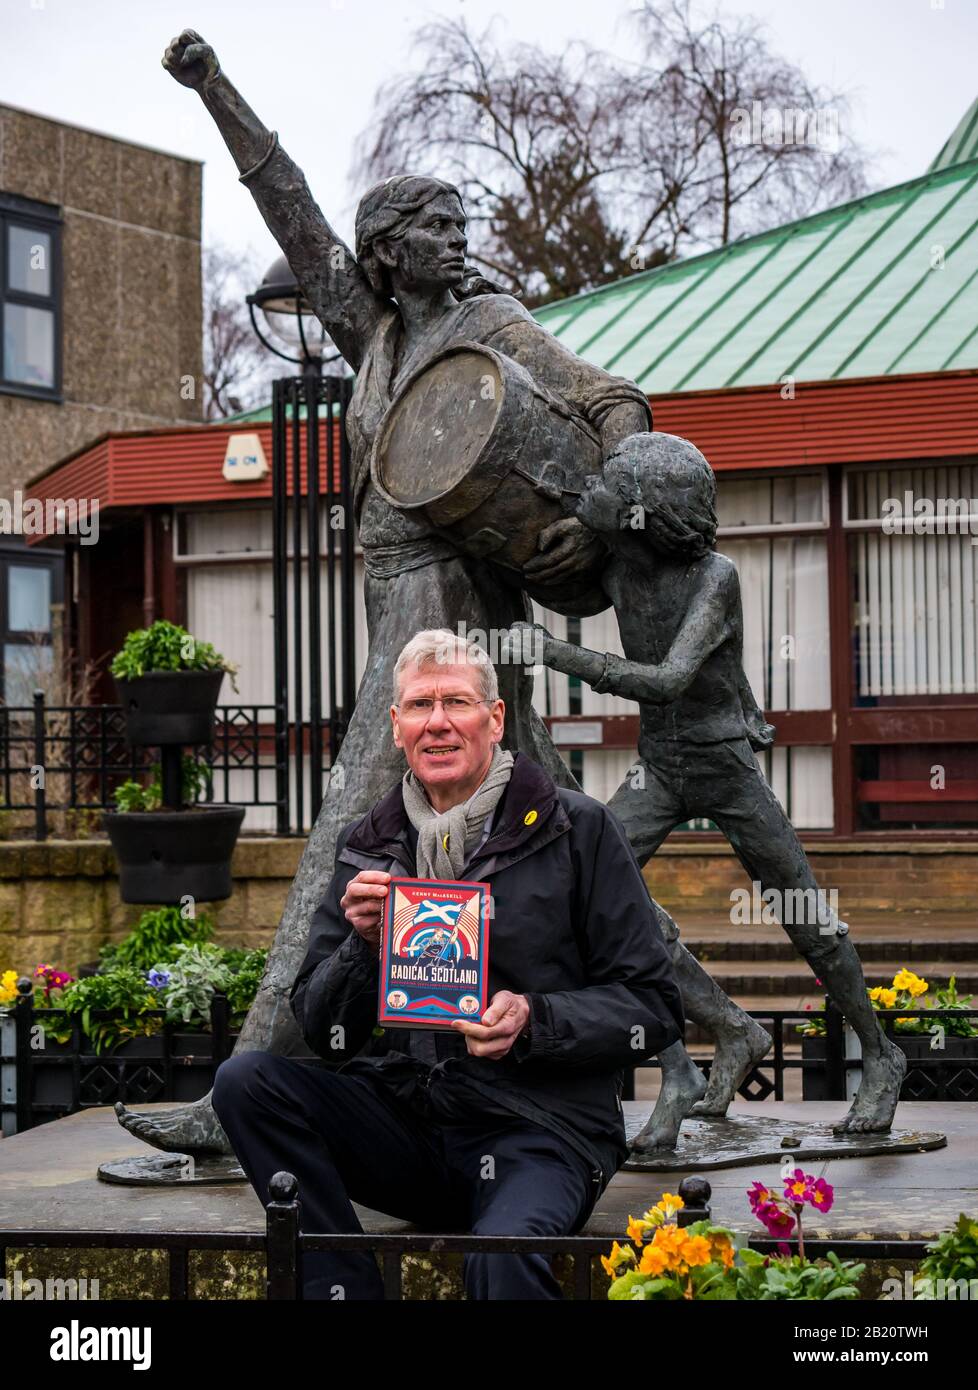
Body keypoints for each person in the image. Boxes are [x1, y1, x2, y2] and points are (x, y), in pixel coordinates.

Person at [117, 29, 657, 1159]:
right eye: (435, 229)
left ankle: (238, 1095)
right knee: (567, 830)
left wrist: (617, 492)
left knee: (334, 852)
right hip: (426, 626)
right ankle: (720, 1033)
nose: (459, 244)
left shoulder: (488, 326)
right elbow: (292, 209)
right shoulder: (374, 334)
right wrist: (214, 86)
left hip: (437, 626)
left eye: (464, 226)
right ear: (385, 257)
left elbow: (609, 397)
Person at [212, 629, 684, 1299]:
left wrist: (534, 1019)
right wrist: (359, 947)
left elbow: (654, 1005)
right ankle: (347, 1293)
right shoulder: (368, 843)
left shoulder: (578, 829)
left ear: (494, 720)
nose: (438, 722)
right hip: (412, 1123)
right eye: (420, 706)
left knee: (498, 1255)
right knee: (246, 1083)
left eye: (457, 703)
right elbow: (318, 1026)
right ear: (396, 726)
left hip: (540, 1132)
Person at [507, 433, 907, 1138]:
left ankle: (881, 1056)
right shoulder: (617, 563)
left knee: (805, 913)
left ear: (645, 514)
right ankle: (707, 1049)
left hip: (723, 766)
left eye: (609, 489)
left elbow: (668, 679)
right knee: (596, 894)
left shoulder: (714, 577)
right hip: (659, 769)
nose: (592, 496)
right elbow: (559, 531)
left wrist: (557, 652)